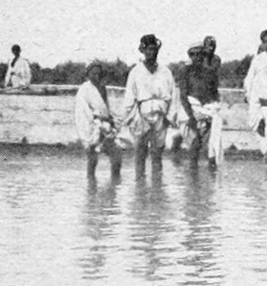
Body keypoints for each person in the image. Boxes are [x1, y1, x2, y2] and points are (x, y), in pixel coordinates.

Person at [122, 34, 179, 179]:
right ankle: (140, 185)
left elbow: (173, 96)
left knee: (157, 154)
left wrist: (169, 117)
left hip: (161, 115)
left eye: (154, 49)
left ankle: (157, 187)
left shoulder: (166, 72)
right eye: (148, 49)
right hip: (141, 115)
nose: (151, 53)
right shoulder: (135, 72)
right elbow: (129, 98)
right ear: (142, 50)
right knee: (140, 153)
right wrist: (134, 118)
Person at [74, 61, 122, 179]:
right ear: (88, 74)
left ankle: (114, 182)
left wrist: (110, 120)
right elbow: (83, 111)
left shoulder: (102, 88)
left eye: (98, 74)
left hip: (105, 126)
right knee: (92, 158)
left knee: (116, 155)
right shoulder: (84, 89)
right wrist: (95, 120)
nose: (96, 76)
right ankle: (91, 184)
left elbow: (106, 108)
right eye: (93, 73)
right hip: (92, 127)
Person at [179, 42, 223, 167]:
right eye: (193, 54)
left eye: (199, 54)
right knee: (194, 144)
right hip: (191, 111)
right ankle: (193, 174)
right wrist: (191, 116)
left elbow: (214, 94)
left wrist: (210, 110)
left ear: (204, 55)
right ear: (190, 56)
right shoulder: (185, 72)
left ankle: (211, 174)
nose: (197, 57)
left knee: (211, 147)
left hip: (207, 111)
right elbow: (183, 96)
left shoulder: (210, 73)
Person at [243, 29, 267, 101]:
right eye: (266, 42)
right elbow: (249, 78)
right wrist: (248, 95)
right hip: (261, 98)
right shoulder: (258, 59)